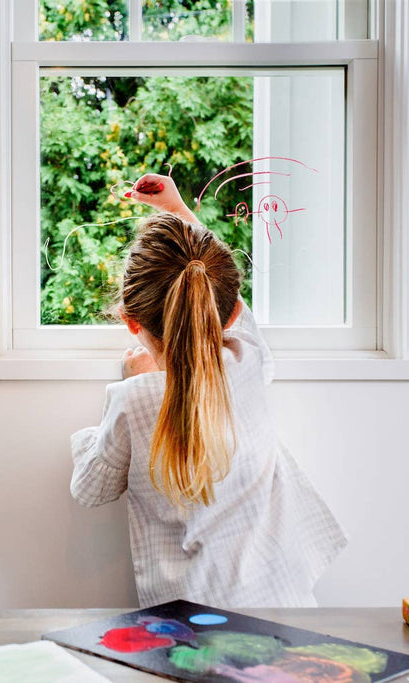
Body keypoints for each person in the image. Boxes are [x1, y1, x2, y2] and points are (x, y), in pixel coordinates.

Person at [70, 173, 346, 608]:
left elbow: (89, 489)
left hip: (194, 633)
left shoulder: (134, 400)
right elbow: (218, 290)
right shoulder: (247, 362)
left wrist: (130, 385)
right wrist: (179, 212)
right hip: (287, 606)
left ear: (130, 321)